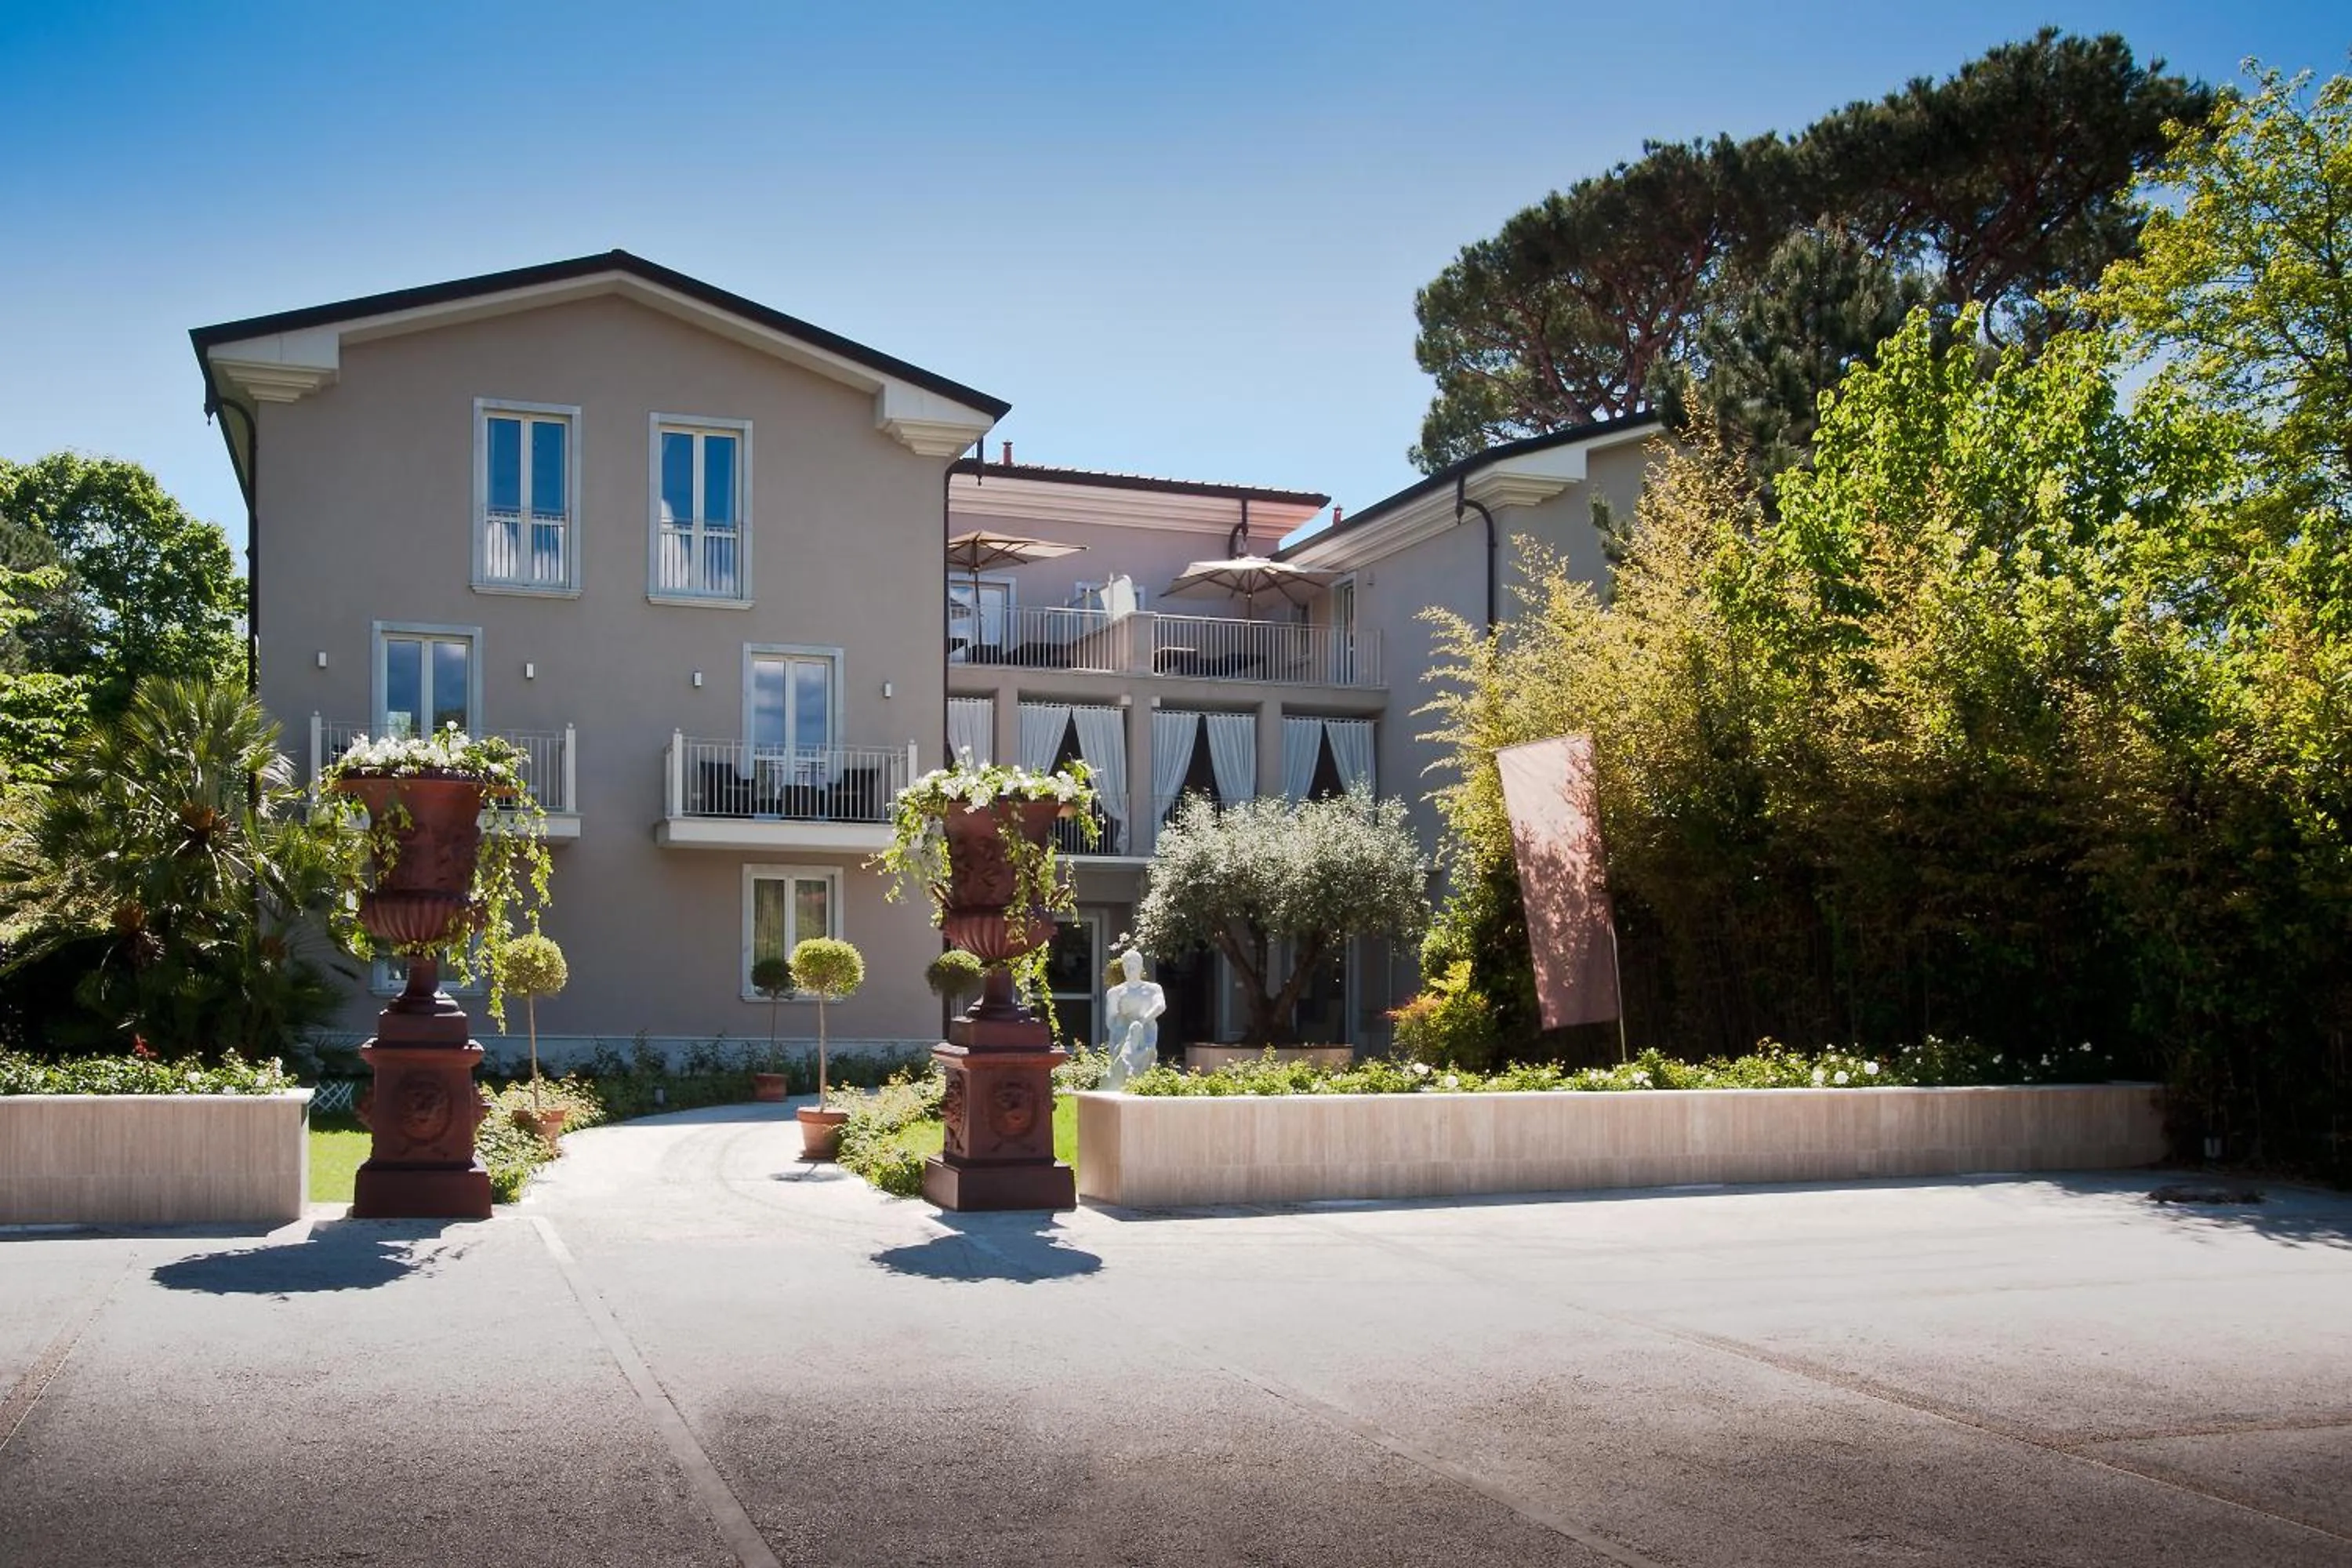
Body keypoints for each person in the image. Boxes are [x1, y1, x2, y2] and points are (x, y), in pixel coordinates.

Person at [1102, 948, 1166, 1089]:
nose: (1130, 969)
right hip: (1123, 1034)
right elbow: (1111, 1021)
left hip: (1146, 1033)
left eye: (1134, 966)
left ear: (1140, 967)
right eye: (1127, 966)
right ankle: (1126, 1068)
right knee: (1131, 1033)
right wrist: (1126, 1030)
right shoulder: (1115, 992)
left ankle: (1129, 1069)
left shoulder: (1153, 989)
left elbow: (1160, 1005)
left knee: (1136, 1029)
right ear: (1123, 968)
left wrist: (1142, 1020)